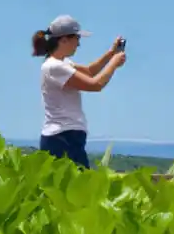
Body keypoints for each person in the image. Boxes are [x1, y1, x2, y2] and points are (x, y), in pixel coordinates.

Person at [32, 14, 126, 168]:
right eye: (77, 39)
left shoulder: (62, 63)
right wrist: (114, 64)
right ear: (64, 40)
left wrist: (111, 54)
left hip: (65, 136)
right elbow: (95, 84)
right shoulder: (55, 67)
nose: (78, 44)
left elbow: (89, 71)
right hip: (63, 137)